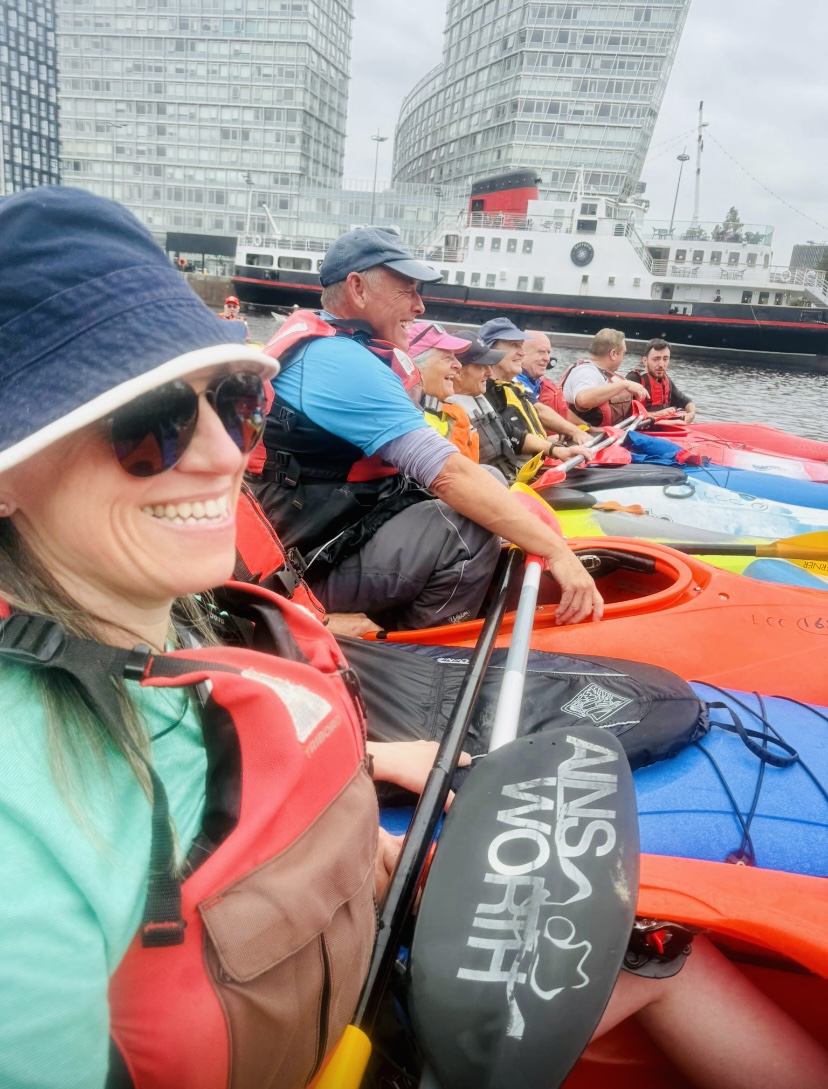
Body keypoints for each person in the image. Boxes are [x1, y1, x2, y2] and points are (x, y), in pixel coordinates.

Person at [0, 186, 422, 1089]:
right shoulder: (19, 824)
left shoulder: (170, 619)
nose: (228, 455)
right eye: (147, 424)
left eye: (232, 403)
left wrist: (361, 806)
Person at [248, 227, 603, 631]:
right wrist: (556, 551)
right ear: (358, 288)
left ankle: (395, 620)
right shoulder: (336, 359)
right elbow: (449, 474)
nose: (419, 306)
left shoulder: (336, 347)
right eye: (408, 290)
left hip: (331, 535)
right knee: (463, 531)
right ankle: (414, 649)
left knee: (487, 480)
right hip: (302, 565)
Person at [477, 317, 593, 482]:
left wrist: (555, 448)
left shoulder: (511, 387)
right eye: (514, 345)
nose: (522, 353)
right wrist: (558, 443)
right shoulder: (480, 394)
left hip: (534, 466)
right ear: (490, 349)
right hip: (509, 478)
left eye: (521, 346)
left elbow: (516, 434)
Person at [409, 321, 479, 462]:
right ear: (415, 365)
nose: (458, 365)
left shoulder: (451, 412)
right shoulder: (401, 415)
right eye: (448, 358)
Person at [561, 328, 649, 427]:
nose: (622, 358)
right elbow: (583, 399)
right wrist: (624, 385)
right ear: (613, 354)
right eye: (623, 353)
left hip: (611, 432)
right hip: (585, 434)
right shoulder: (586, 372)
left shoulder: (599, 372)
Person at [514, 329, 591, 438]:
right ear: (522, 354)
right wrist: (575, 432)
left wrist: (588, 427)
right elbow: (539, 411)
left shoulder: (536, 380)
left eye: (548, 353)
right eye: (541, 352)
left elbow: (561, 411)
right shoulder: (515, 382)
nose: (547, 359)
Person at [625, 339, 697, 423]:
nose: (661, 365)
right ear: (645, 361)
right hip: (643, 425)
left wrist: (691, 414)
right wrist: (656, 414)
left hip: (665, 424)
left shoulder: (666, 381)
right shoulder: (634, 379)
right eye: (656, 359)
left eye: (665, 359)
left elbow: (686, 402)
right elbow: (622, 412)